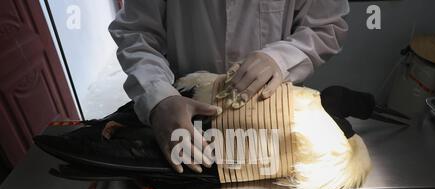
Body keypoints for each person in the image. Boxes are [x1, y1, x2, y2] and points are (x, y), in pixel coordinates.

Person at [109, 0, 350, 173]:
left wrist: (281, 58)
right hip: (183, 116)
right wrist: (158, 97)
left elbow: (325, 27)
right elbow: (136, 32)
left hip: (271, 117)